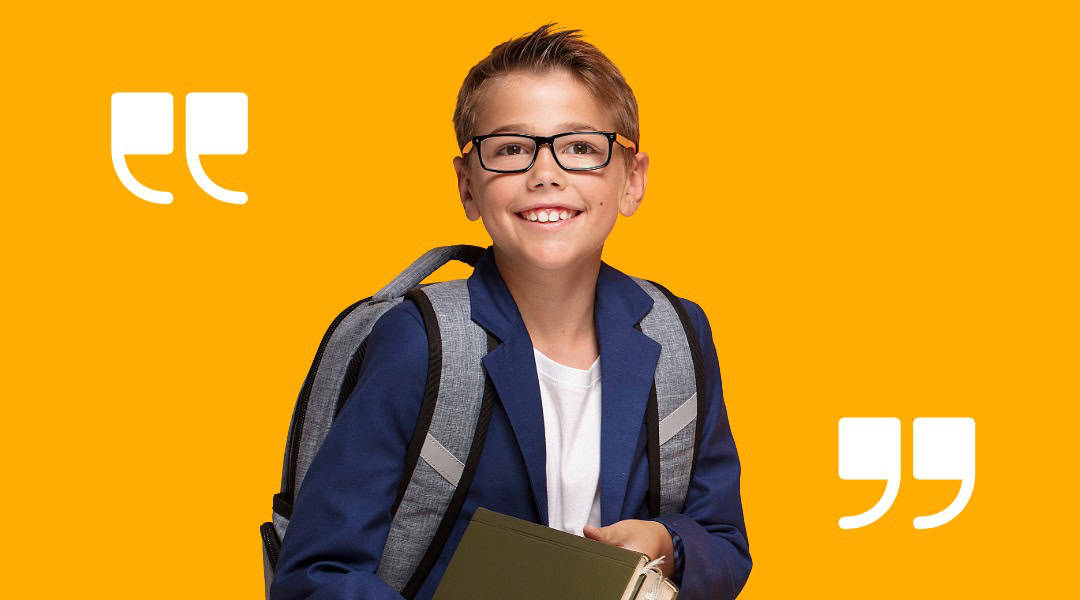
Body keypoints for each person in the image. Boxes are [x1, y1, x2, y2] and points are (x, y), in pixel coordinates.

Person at [270, 23, 751, 600]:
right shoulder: (418, 342)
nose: (546, 174)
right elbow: (316, 575)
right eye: (511, 150)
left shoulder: (677, 334)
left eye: (581, 147)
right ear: (467, 187)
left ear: (633, 180)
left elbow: (726, 543)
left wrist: (667, 543)